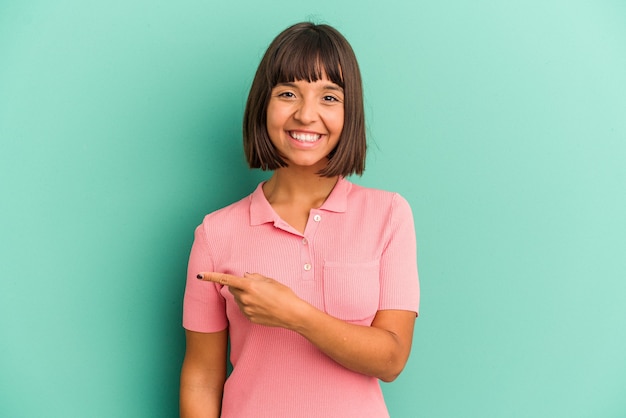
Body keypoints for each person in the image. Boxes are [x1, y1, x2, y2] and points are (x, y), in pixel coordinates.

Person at [179, 22, 419, 418]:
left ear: (350, 111)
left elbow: (391, 358)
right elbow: (201, 377)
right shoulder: (215, 234)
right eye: (288, 93)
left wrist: (293, 314)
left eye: (328, 97)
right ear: (264, 105)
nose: (306, 114)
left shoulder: (389, 215)